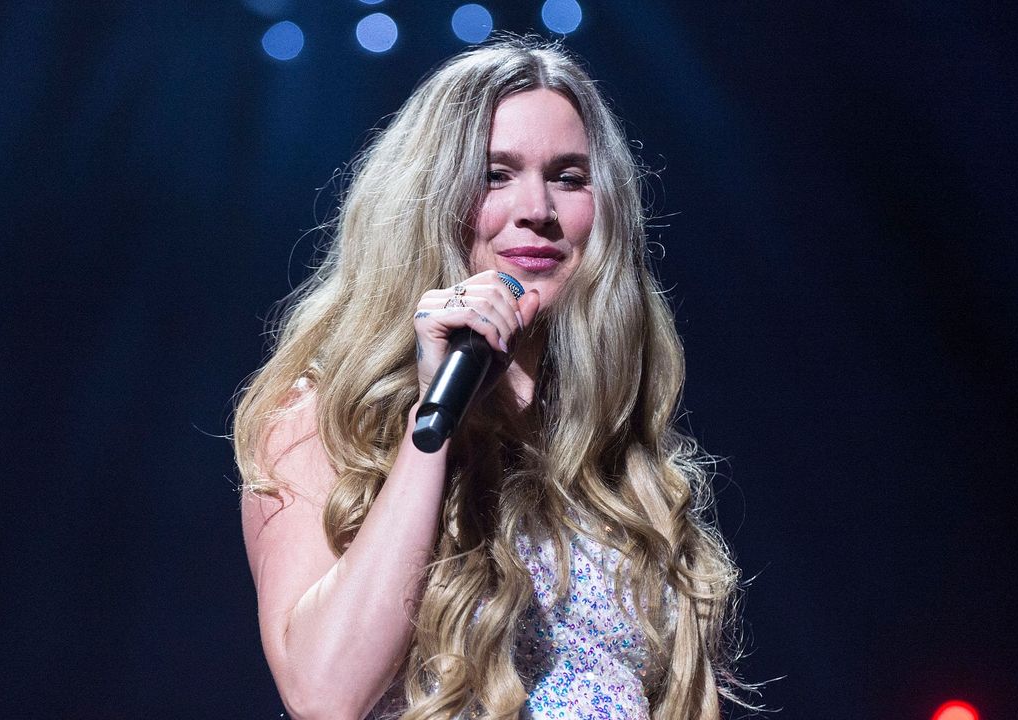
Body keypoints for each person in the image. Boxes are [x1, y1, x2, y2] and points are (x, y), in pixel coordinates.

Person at [234, 37, 750, 720]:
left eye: (569, 177)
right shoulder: (325, 419)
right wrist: (432, 420)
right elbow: (325, 694)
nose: (538, 208)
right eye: (496, 175)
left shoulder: (615, 451)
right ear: (431, 199)